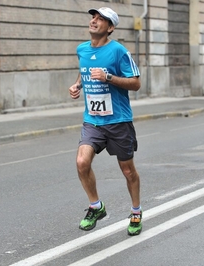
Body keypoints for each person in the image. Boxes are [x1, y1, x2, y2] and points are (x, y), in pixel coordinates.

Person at [68, 7, 142, 236]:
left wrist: (108, 77)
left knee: (128, 171)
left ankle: (136, 212)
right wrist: (78, 85)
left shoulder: (118, 51)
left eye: (101, 19)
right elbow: (85, 69)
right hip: (93, 120)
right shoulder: (82, 49)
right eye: (93, 17)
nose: (95, 21)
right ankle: (96, 207)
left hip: (118, 121)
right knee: (82, 162)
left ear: (110, 28)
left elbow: (136, 83)